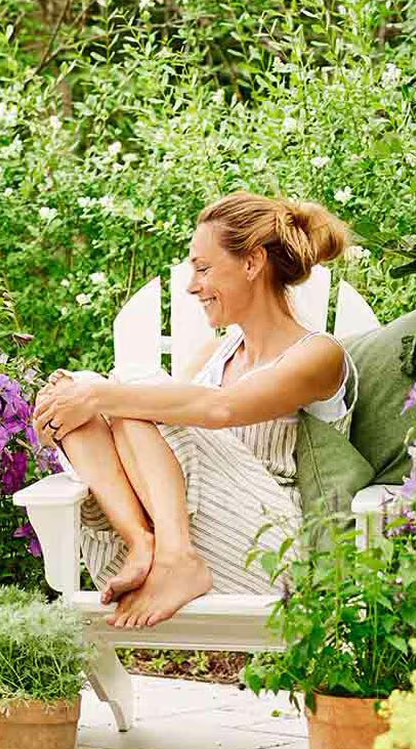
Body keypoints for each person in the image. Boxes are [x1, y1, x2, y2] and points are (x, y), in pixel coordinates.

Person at [31, 191, 357, 629]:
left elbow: (221, 409)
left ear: (252, 263)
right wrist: (64, 419)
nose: (191, 285)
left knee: (125, 387)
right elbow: (142, 433)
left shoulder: (318, 355)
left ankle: (175, 556)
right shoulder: (216, 353)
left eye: (203, 268)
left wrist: (100, 395)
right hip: (193, 529)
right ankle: (143, 543)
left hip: (272, 548)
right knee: (100, 394)